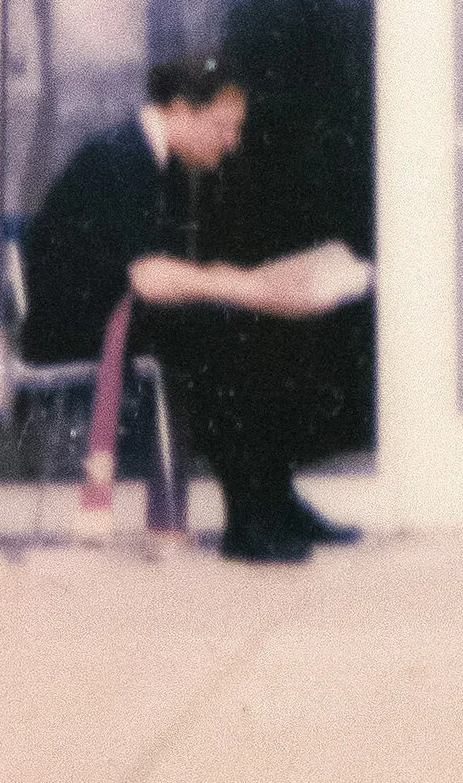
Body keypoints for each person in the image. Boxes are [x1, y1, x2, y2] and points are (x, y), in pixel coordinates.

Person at [18, 53, 371, 564]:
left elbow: (163, 277)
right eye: (223, 126)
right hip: (71, 326)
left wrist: (247, 287)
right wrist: (242, 286)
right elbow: (146, 277)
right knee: (221, 325)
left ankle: (274, 500)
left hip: (113, 311)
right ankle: (249, 518)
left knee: (246, 320)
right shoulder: (119, 159)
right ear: (181, 109)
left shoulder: (161, 164)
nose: (232, 142)